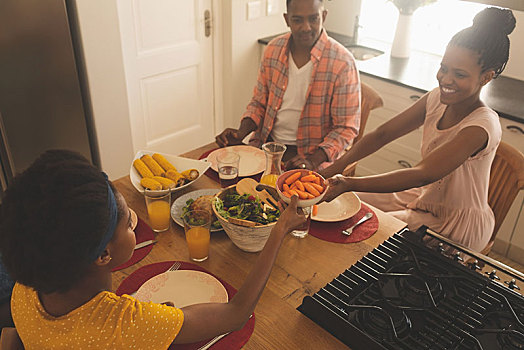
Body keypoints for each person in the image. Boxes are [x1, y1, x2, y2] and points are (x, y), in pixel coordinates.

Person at [0, 149, 306, 348]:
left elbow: (16, 340)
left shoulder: (24, 292)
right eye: (128, 225)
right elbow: (235, 314)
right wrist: (279, 230)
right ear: (103, 255)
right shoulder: (125, 326)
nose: (135, 222)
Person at [320, 7, 516, 252]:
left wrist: (349, 183)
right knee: (346, 203)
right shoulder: (436, 99)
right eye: (444, 68)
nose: (445, 79)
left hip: (457, 224)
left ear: (486, 77)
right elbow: (383, 134)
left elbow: (424, 173)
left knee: (363, 231)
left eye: (460, 74)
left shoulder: (482, 124)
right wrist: (331, 171)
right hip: (425, 197)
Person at [215, 0, 360, 171]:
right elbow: (259, 102)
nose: (306, 27)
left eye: (313, 19)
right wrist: (240, 133)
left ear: (324, 16)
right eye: (298, 20)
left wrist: (313, 161)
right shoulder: (273, 50)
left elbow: (345, 128)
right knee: (223, 178)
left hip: (313, 156)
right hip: (267, 147)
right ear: (287, 19)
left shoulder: (343, 62)